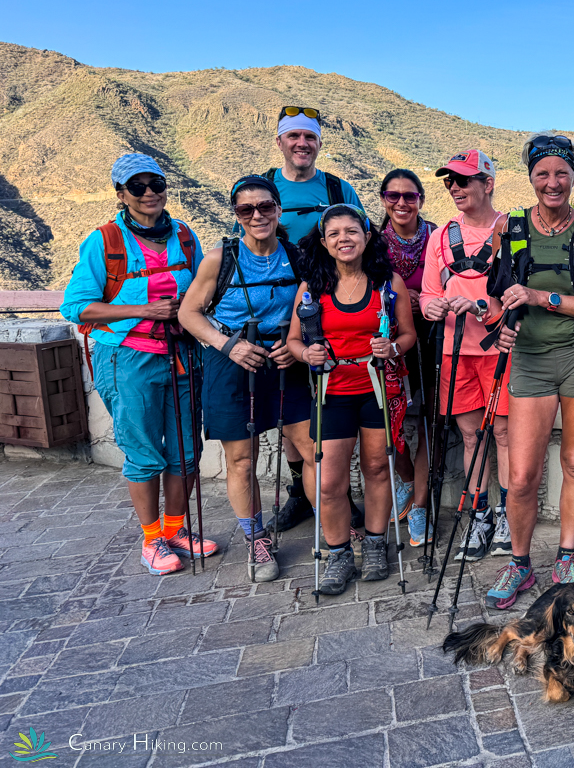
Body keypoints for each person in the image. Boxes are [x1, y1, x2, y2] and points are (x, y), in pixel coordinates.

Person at [62, 153, 218, 576]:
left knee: (186, 450)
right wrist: (146, 310)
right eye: (138, 186)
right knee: (145, 452)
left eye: (156, 184)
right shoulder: (105, 242)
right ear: (121, 193)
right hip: (127, 359)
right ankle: (153, 541)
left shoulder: (184, 236)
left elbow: (201, 291)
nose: (150, 193)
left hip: (183, 355)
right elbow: (76, 307)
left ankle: (175, 529)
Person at [485, 134, 574, 609]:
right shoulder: (510, 227)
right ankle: (520, 564)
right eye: (543, 173)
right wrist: (497, 321)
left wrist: (542, 298)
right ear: (531, 178)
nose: (553, 182)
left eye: (562, 173)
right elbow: (496, 293)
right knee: (521, 475)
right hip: (531, 361)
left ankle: (566, 554)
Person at [178, 175, 314, 582]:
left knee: (311, 446)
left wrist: (298, 343)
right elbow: (189, 313)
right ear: (236, 215)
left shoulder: (296, 256)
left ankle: (333, 522)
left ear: (278, 209)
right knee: (241, 459)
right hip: (232, 361)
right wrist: (228, 346)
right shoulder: (221, 259)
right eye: (246, 209)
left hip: (287, 360)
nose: (257, 216)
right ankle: (257, 539)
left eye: (265, 207)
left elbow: (314, 305)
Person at [287, 205, 417, 594]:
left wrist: (391, 347)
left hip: (377, 388)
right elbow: (295, 340)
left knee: (378, 469)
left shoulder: (388, 283)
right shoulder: (312, 286)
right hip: (333, 392)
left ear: (367, 236)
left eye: (352, 231)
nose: (344, 239)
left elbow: (408, 335)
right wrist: (305, 353)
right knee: (329, 483)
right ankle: (339, 553)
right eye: (335, 234)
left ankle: (375, 543)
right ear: (324, 243)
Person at [264, 105, 365, 535]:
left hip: (333, 310)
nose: (301, 144)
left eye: (309, 137)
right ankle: (300, 495)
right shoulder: (265, 188)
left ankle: (335, 496)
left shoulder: (339, 187)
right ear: (281, 142)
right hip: (277, 315)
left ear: (319, 143)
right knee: (290, 414)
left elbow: (362, 236)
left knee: (323, 410)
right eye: (294, 137)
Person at [419, 150, 511, 562]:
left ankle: (508, 513)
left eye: (464, 180)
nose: (455, 188)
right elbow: (427, 293)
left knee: (506, 435)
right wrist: (432, 308)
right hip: (456, 352)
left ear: (487, 183)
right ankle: (479, 515)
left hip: (500, 351)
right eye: (449, 182)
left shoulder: (512, 228)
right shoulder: (441, 237)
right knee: (471, 436)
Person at [379, 168, 438, 546]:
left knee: (430, 425)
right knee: (389, 421)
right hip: (388, 341)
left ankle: (419, 506)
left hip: (433, 337)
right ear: (383, 198)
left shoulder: (438, 237)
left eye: (410, 196)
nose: (402, 202)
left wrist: (428, 299)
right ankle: (403, 478)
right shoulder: (370, 241)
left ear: (420, 199)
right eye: (393, 195)